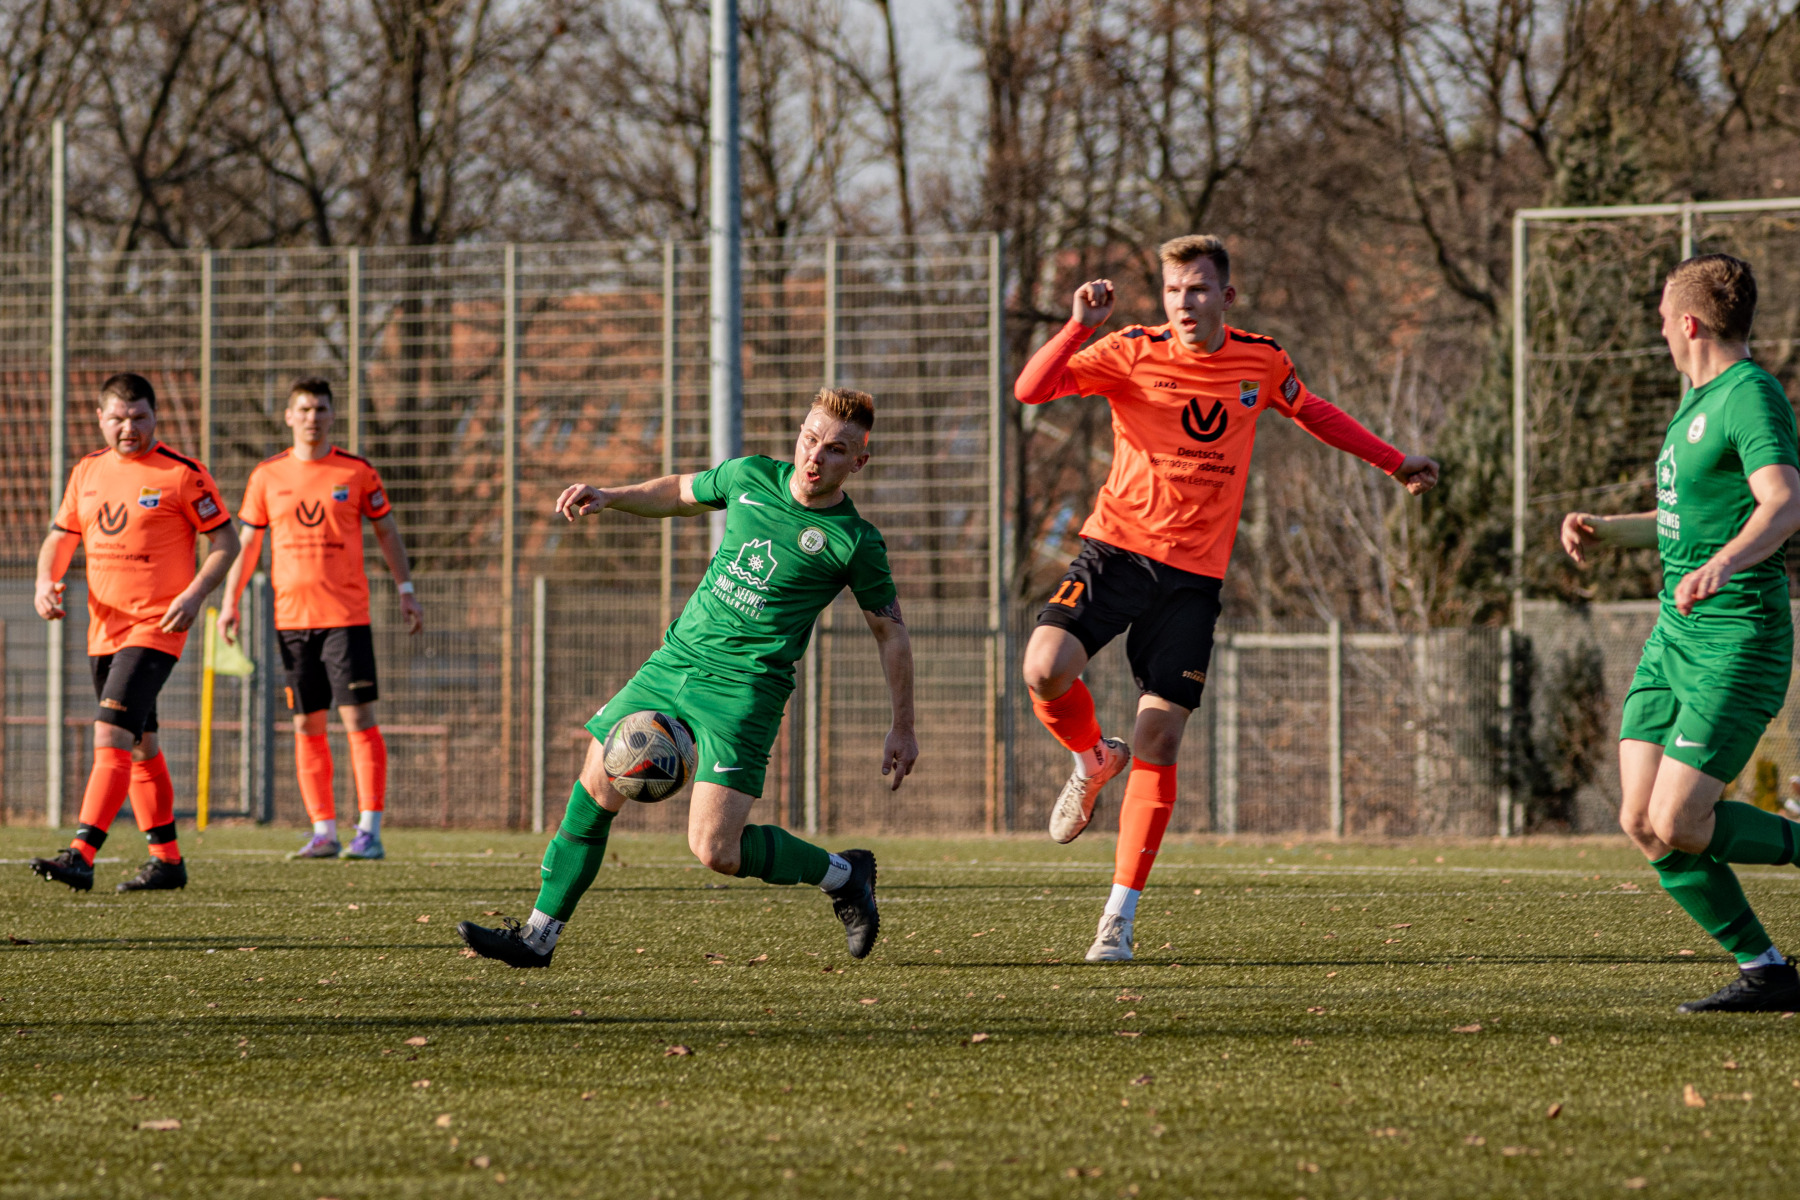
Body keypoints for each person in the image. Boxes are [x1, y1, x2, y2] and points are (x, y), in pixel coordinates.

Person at [1014, 235, 1441, 962]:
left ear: (1226, 296)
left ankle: (1117, 918)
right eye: (1174, 289)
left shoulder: (1260, 360)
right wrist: (1078, 326)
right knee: (1043, 668)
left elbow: (1314, 412)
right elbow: (1031, 390)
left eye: (1199, 289)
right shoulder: (1130, 349)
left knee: (1160, 739)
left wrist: (1394, 461)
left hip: (1192, 580)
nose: (1184, 302)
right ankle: (1091, 761)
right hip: (1115, 552)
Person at [456, 387, 916, 967]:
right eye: (809, 438)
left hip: (745, 691)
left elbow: (890, 633)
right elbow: (679, 491)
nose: (815, 456)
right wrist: (611, 496)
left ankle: (845, 875)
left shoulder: (855, 541)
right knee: (596, 785)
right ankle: (537, 938)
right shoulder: (749, 475)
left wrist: (903, 725)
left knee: (716, 850)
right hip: (674, 661)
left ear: (858, 462)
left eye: (835, 449)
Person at [1560, 253, 1800, 1013]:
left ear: (1688, 324)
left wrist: (1725, 564)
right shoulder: (1695, 400)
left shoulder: (1749, 395)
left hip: (1738, 638)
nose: (1660, 329)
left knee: (1681, 819)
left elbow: (1784, 501)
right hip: (1675, 637)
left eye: (1664, 318)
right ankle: (1767, 971)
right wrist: (1610, 531)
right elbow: (1685, 523)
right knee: (1643, 822)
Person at [29, 373, 238, 893]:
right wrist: (44, 581)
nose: (129, 428)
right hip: (104, 629)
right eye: (118, 418)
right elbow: (61, 536)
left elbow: (226, 543)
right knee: (141, 744)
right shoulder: (87, 470)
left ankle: (81, 853)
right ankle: (167, 861)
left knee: (111, 734)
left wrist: (194, 595)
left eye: (139, 417)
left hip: (157, 624)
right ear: (101, 419)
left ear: (154, 417)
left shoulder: (182, 474)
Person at [217, 378, 423, 861]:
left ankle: (369, 830)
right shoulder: (266, 476)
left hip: (345, 618)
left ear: (332, 415)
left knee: (357, 717)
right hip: (291, 621)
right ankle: (324, 831)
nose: (313, 417)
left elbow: (387, 531)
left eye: (321, 409)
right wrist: (230, 602)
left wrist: (406, 589)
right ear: (289, 416)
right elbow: (248, 544)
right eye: (304, 409)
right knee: (306, 722)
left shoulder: (356, 471)